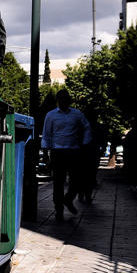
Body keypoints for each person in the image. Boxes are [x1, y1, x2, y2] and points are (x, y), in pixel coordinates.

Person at [41, 89, 92, 221]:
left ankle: (68, 200)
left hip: (73, 151)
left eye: (66, 99)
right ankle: (59, 209)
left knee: (77, 180)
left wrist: (85, 143)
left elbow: (87, 127)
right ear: (58, 101)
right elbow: (46, 134)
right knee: (58, 182)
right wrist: (46, 152)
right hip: (57, 152)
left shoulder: (77, 114)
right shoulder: (51, 115)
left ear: (69, 100)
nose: (63, 102)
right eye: (61, 99)